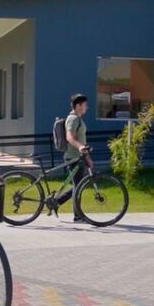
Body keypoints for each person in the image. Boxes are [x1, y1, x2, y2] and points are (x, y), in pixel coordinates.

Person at [63, 93, 90, 223]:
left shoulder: (78, 119)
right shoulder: (73, 119)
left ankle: (57, 201)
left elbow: (81, 139)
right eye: (85, 104)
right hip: (73, 157)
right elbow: (70, 137)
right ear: (78, 105)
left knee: (78, 185)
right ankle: (78, 216)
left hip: (79, 157)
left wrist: (87, 157)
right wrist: (80, 148)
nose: (87, 107)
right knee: (78, 185)